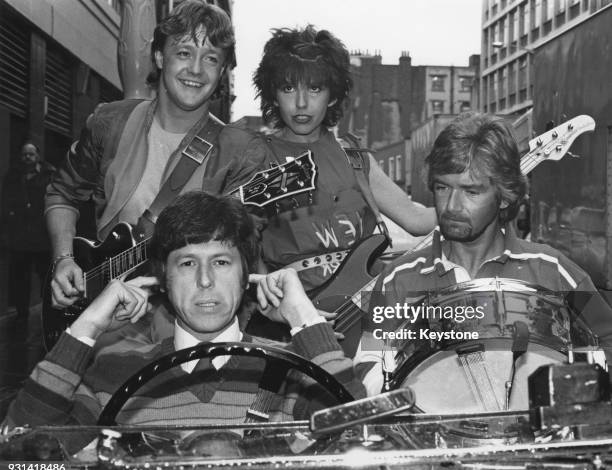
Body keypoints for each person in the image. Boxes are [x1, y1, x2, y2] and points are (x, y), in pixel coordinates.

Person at [4, 192, 366, 447]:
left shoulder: (294, 374)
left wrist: (302, 316)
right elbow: (25, 464)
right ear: (162, 277)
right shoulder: (111, 372)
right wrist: (86, 327)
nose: (205, 280)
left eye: (221, 262)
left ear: (246, 277)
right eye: (187, 263)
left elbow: (362, 441)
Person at [356, 112, 612, 397]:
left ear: (504, 196)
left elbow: (606, 340)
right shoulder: (396, 280)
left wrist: (576, 391)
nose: (452, 205)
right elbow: (368, 363)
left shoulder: (551, 270)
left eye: (471, 191)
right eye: (442, 187)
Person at [46, 0, 265, 310]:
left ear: (222, 72)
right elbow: (61, 194)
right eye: (185, 52)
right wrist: (64, 258)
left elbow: (239, 257)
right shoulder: (109, 123)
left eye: (211, 58)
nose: (196, 69)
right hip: (102, 316)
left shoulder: (240, 151)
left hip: (188, 322)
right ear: (161, 56)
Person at [252, 25, 437, 293]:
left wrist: (477, 197)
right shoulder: (259, 157)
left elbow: (416, 221)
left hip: (362, 308)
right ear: (273, 94)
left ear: (334, 95)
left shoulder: (353, 159)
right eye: (289, 88)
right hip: (289, 316)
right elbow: (236, 243)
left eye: (315, 88)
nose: (301, 103)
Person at [1, 142, 55, 327]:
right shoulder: (13, 177)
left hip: (42, 237)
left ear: (38, 156)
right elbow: (6, 201)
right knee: (19, 277)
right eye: (24, 154)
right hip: (20, 237)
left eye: (31, 154)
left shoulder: (49, 176)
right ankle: (21, 313)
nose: (27, 158)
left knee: (45, 276)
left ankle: (48, 311)